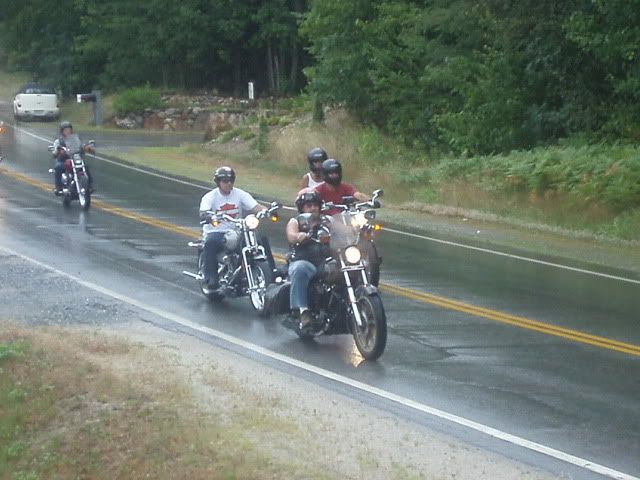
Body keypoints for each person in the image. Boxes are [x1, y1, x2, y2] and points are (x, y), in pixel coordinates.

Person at [199, 166, 268, 292]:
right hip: (216, 231)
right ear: (218, 182)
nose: (229, 183)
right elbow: (204, 211)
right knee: (210, 243)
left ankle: (262, 271)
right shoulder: (210, 197)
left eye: (231, 180)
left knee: (258, 240)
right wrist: (208, 216)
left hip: (237, 231)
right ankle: (211, 277)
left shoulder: (240, 194)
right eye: (225, 181)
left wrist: (266, 211)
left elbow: (255, 206)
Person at [285, 189, 330, 328]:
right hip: (305, 261)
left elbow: (343, 229)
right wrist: (298, 236)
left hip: (325, 261)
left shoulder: (327, 220)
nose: (313, 208)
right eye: (309, 205)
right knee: (300, 268)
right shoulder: (296, 221)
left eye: (315, 205)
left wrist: (355, 229)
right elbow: (291, 235)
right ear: (302, 208)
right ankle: (302, 310)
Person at [52, 121, 94, 194]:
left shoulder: (77, 139)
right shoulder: (58, 141)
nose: (68, 131)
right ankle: (59, 187)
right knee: (58, 167)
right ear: (62, 131)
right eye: (65, 130)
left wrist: (88, 148)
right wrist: (58, 151)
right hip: (64, 161)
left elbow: (83, 145)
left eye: (69, 129)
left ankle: (89, 186)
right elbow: (54, 153)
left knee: (85, 166)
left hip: (76, 159)